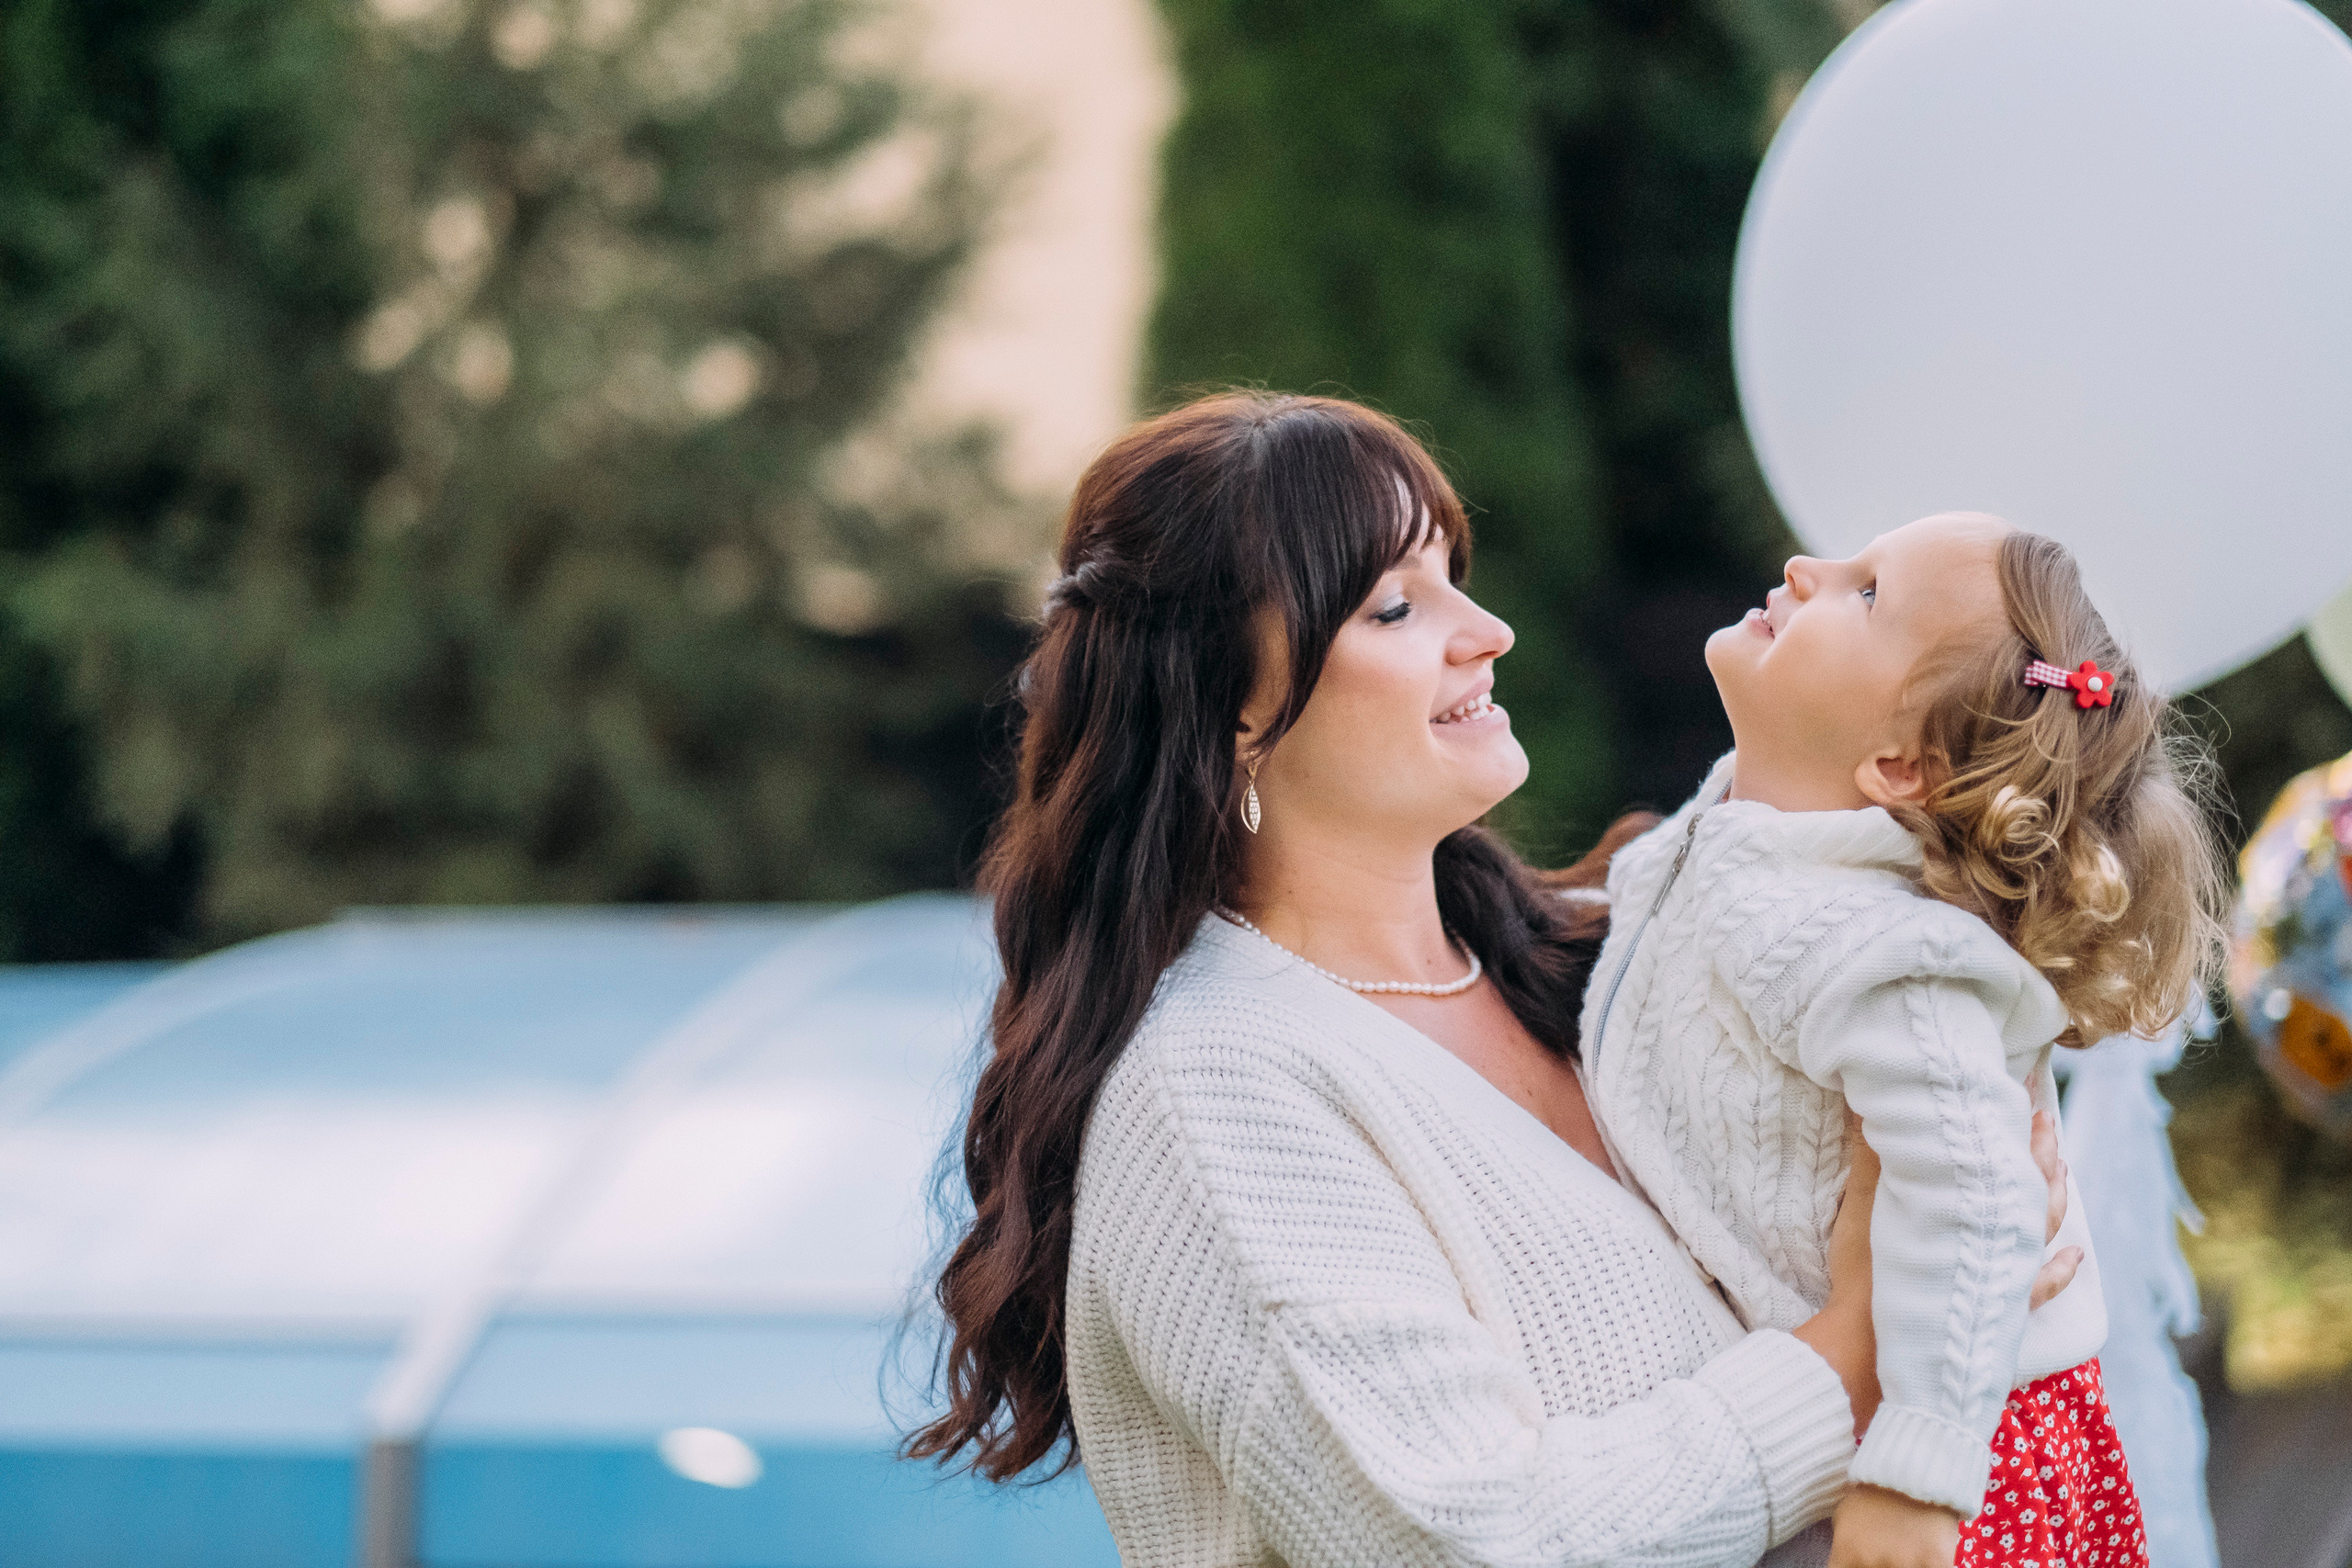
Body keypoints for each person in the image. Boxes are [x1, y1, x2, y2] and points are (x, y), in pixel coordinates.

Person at [907, 392, 2075, 1567]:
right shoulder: (1212, 1095)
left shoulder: (1623, 961)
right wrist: (1860, 1352)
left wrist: (1973, 1240)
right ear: (1231, 707)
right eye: (1397, 606)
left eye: (1453, 576)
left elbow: (1951, 1178)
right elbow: (1464, 1538)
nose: (1488, 632)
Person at [1580, 516, 2229, 1568]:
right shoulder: (1733, 845)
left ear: (1897, 766)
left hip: (1967, 1455)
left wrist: (1918, 1471)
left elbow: (1979, 1198)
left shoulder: (1890, 957)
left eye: (1867, 592)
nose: (1803, 568)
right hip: (1859, 1416)